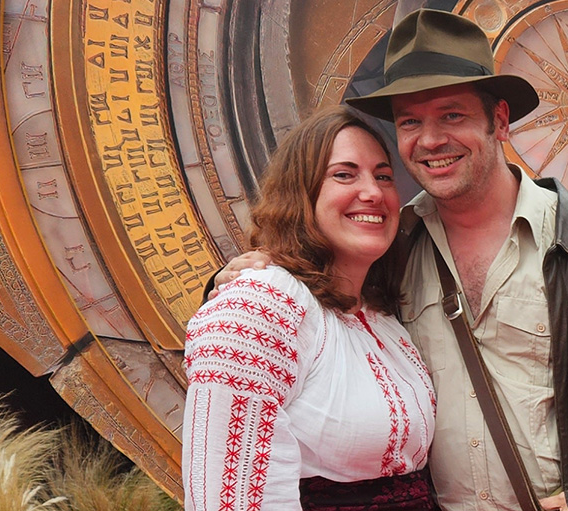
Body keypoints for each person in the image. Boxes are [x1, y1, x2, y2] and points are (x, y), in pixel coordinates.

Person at [209, 9, 568, 511]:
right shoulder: (393, 248)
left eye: (452, 114)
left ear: (499, 120)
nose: (430, 140)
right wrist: (244, 276)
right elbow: (317, 306)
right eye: (411, 121)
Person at [183, 106, 440, 511]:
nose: (372, 191)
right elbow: (230, 501)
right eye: (344, 174)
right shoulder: (259, 306)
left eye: (384, 176)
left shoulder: (383, 314)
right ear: (301, 192)